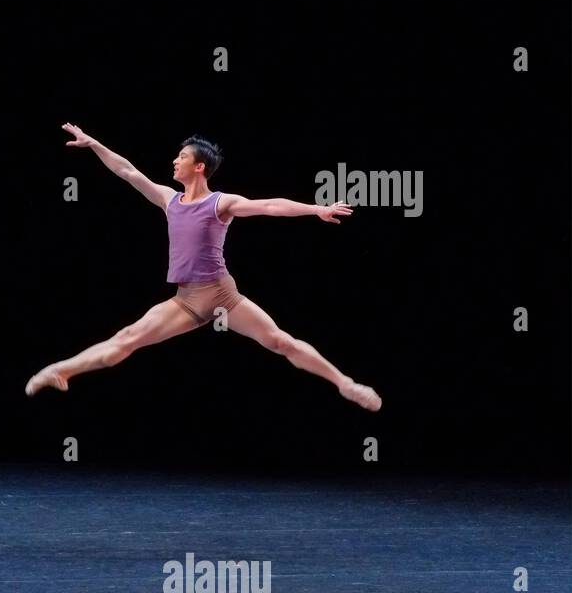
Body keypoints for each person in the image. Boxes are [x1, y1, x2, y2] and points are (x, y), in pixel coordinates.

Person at [25, 125, 382, 411]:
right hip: (185, 301)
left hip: (222, 294)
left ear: (199, 166)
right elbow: (128, 172)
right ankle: (60, 370)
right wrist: (94, 144)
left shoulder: (219, 203)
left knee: (279, 341)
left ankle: (346, 384)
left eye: (181, 157)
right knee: (126, 341)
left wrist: (314, 209)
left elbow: (269, 206)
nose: (174, 162)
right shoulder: (169, 199)